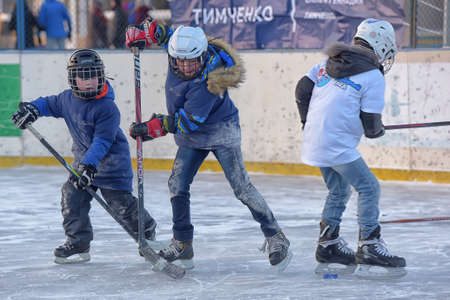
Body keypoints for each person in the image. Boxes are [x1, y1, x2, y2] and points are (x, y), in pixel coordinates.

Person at [125, 20, 292, 271]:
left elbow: (188, 122)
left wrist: (153, 128)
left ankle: (276, 236)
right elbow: (166, 35)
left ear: (202, 56)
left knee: (242, 188)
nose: (185, 66)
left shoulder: (210, 81)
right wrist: (146, 33)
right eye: (179, 61)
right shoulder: (182, 49)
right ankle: (182, 243)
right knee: (177, 184)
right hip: (192, 134)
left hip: (221, 130)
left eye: (191, 62)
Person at [11, 49, 157, 264]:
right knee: (71, 197)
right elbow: (49, 103)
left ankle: (146, 231)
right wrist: (33, 109)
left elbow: (102, 142)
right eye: (83, 76)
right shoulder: (67, 99)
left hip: (112, 167)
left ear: (101, 75)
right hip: (83, 164)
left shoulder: (107, 108)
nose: (88, 81)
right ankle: (78, 244)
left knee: (122, 207)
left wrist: (89, 166)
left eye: (93, 75)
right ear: (73, 78)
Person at [295, 18, 406, 275]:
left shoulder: (326, 63)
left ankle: (328, 244)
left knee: (339, 190)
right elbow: (371, 127)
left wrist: (307, 121)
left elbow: (302, 89)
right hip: (336, 146)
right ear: (380, 46)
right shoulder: (372, 76)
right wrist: (377, 129)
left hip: (313, 140)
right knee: (369, 187)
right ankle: (369, 244)